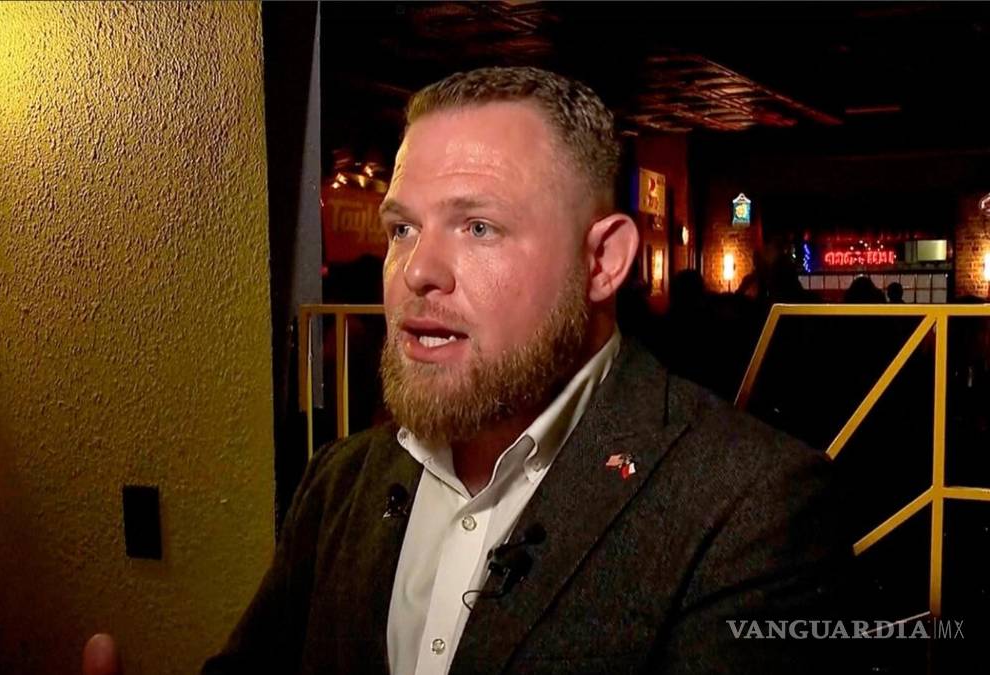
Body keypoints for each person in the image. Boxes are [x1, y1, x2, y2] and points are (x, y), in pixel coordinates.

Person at [87, 67, 850, 675]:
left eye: (478, 226)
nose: (418, 270)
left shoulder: (751, 509)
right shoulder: (341, 482)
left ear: (603, 260)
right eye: (402, 228)